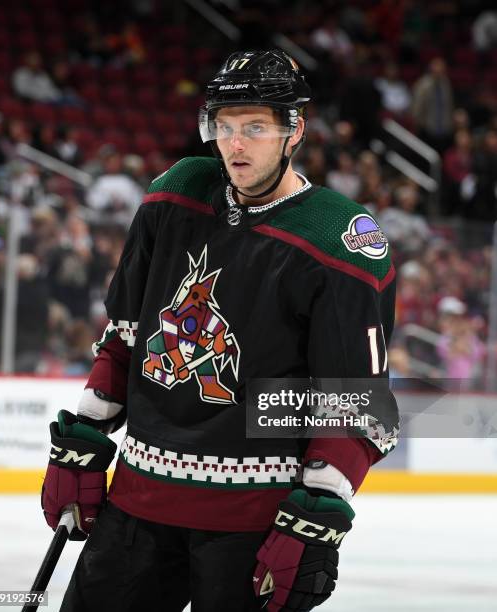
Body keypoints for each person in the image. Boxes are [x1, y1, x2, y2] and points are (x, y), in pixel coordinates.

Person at [41, 50, 399, 612]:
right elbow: (126, 336)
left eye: (255, 128)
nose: (235, 144)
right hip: (138, 504)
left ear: (294, 131)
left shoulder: (341, 240)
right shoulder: (176, 194)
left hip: (252, 522)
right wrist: (84, 438)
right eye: (224, 127)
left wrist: (317, 509)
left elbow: (356, 400)